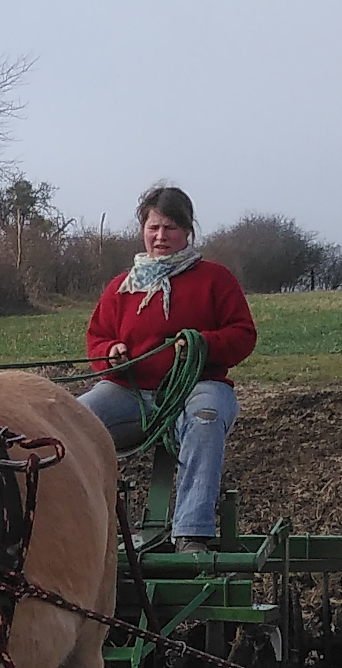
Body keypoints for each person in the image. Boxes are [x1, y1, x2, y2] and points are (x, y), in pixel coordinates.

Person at [79, 185, 256, 552]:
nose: (161, 236)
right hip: (129, 392)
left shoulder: (215, 279)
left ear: (187, 231)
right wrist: (110, 352)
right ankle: (82, 533)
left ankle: (191, 533)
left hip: (198, 384)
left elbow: (243, 336)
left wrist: (202, 344)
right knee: (75, 421)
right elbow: (96, 338)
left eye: (171, 228)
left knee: (206, 417)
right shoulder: (120, 288)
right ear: (143, 229)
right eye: (154, 227)